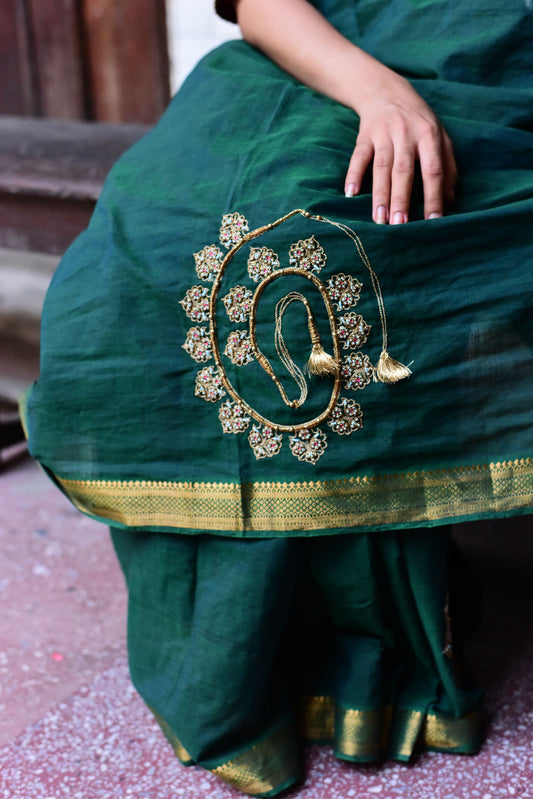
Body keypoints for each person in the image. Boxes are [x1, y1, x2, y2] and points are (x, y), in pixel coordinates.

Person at [21, 0, 533, 795]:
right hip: (313, 59)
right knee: (156, 246)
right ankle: (240, 660)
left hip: (486, 64)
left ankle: (373, 654)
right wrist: (378, 91)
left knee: (346, 233)